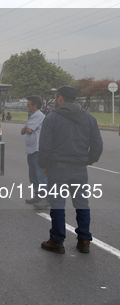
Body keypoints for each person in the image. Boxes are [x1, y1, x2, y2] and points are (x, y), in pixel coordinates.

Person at [38, 86, 103, 254]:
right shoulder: (89, 118)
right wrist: (88, 160)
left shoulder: (52, 118)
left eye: (55, 97)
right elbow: (97, 145)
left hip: (58, 167)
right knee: (82, 204)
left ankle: (57, 241)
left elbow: (44, 145)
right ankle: (84, 240)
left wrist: (43, 164)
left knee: (58, 204)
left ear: (60, 98)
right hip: (80, 168)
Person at [21, 96, 48, 209]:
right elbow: (23, 131)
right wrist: (26, 128)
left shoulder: (39, 116)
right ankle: (37, 194)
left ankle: (45, 198)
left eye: (29, 104)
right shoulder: (32, 116)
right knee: (33, 175)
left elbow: (29, 129)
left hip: (37, 149)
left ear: (35, 106)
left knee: (40, 175)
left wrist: (26, 128)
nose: (27, 106)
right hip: (31, 149)